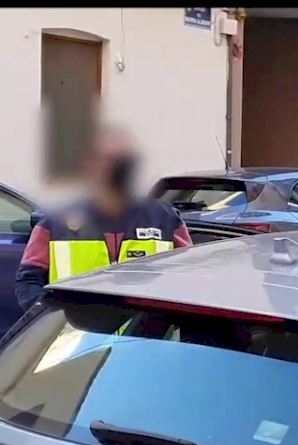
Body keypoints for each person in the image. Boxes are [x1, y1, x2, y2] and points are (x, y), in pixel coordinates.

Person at [15, 126, 192, 312]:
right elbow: (29, 280)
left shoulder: (165, 220)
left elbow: (189, 278)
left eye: (119, 163)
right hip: (77, 329)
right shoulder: (56, 222)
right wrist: (51, 317)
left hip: (144, 330)